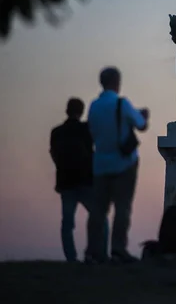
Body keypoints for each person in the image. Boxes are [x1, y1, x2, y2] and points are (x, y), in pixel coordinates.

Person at [84, 67, 149, 264]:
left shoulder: (94, 106)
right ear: (116, 82)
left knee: (98, 210)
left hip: (101, 163)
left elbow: (92, 131)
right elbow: (141, 125)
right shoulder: (122, 103)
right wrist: (144, 115)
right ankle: (118, 248)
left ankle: (93, 250)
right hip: (124, 163)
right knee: (122, 208)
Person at [50, 98, 108, 262]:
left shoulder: (56, 132)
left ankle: (71, 258)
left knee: (67, 223)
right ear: (81, 111)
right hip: (86, 182)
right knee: (101, 220)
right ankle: (101, 255)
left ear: (67, 110)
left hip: (65, 182)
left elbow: (53, 154)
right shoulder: (86, 129)